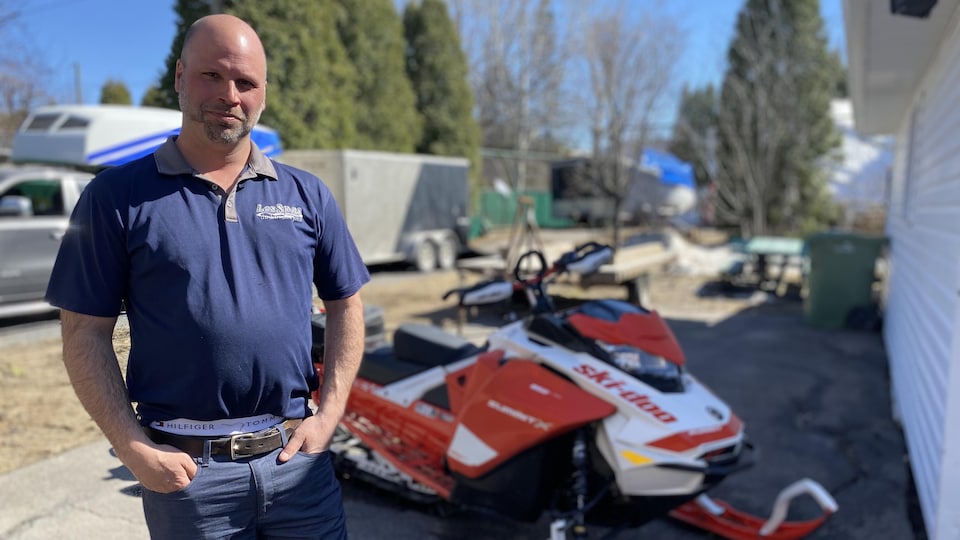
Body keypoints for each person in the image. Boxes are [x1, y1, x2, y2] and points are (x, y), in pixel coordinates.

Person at [45, 14, 369, 539]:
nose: (230, 94)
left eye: (246, 82)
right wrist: (133, 449)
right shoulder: (115, 198)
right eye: (211, 76)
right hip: (190, 481)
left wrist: (328, 416)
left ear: (264, 93)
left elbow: (347, 304)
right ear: (179, 77)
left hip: (297, 468)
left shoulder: (307, 195)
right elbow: (83, 333)